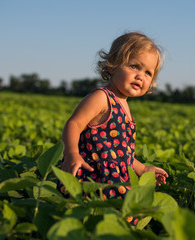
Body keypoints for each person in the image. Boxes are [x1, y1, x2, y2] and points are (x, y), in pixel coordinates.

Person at [58, 32, 168, 225]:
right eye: (134, 66)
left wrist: (143, 169)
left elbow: (121, 152)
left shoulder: (125, 106)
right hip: (92, 177)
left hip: (117, 181)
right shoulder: (102, 97)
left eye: (148, 73)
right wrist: (72, 154)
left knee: (117, 225)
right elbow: (74, 124)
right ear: (114, 64)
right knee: (89, 221)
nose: (140, 76)